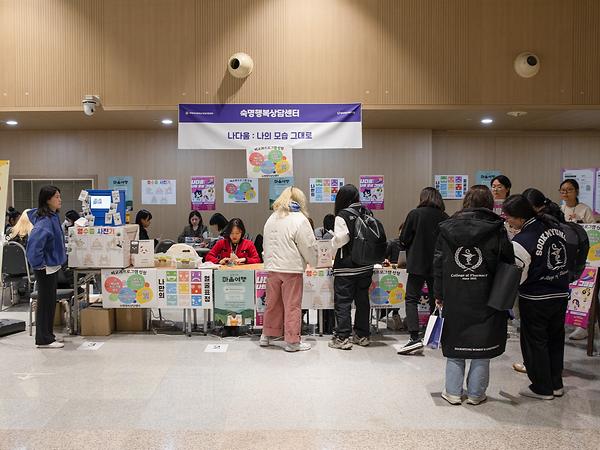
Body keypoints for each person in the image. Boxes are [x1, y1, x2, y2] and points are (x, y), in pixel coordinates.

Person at [433, 185, 515, 405]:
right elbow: (508, 263)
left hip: (455, 293)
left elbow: (439, 264)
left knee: (455, 342)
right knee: (483, 345)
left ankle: (452, 392)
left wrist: (439, 293)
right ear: (489, 204)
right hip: (488, 295)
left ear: (466, 202)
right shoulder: (497, 229)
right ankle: (476, 394)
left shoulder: (447, 227)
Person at [503, 195, 571, 400]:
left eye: (510, 218)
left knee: (535, 341)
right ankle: (556, 384)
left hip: (535, 298)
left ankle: (542, 388)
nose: (508, 222)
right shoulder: (557, 229)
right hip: (560, 293)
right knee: (555, 339)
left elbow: (518, 275)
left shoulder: (522, 240)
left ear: (521, 217)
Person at [523, 188, 590, 342]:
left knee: (537, 338)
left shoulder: (540, 230)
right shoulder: (568, 230)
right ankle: (553, 367)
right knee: (555, 337)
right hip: (563, 288)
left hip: (539, 292)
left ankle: (535, 366)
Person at [261, 187, 318, 352]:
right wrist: (313, 261)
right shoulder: (299, 219)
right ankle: (293, 342)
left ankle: (267, 335)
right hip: (291, 269)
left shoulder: (272, 217)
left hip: (272, 268)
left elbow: (265, 244)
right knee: (292, 306)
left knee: (272, 304)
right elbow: (308, 245)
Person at [397, 187, 448, 355]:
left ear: (423, 198)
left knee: (411, 299)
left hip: (417, 264)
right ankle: (435, 335)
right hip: (438, 266)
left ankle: (414, 337)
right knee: (437, 300)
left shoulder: (415, 214)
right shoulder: (445, 218)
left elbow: (403, 239)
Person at [329, 184, 375, 350]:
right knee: (362, 301)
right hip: (366, 265)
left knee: (343, 302)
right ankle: (362, 336)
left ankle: (342, 337)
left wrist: (332, 241)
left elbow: (342, 239)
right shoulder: (367, 212)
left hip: (346, 267)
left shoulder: (343, 215)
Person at [25, 186, 67, 349]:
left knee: (49, 302)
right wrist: (39, 265)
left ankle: (48, 335)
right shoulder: (44, 222)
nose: (60, 199)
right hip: (45, 268)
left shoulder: (53, 217)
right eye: (57, 197)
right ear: (48, 200)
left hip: (52, 266)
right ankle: (43, 339)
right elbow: (34, 246)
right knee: (45, 303)